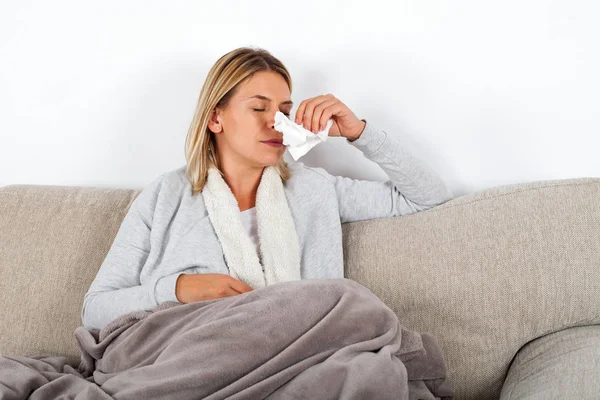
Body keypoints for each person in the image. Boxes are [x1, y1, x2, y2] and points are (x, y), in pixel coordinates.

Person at [81, 46, 454, 333]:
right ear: (215, 118)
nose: (276, 123)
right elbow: (95, 309)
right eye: (258, 108)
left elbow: (428, 197)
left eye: (284, 111)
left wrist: (359, 133)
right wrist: (178, 288)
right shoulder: (165, 196)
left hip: (295, 349)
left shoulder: (314, 190)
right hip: (189, 348)